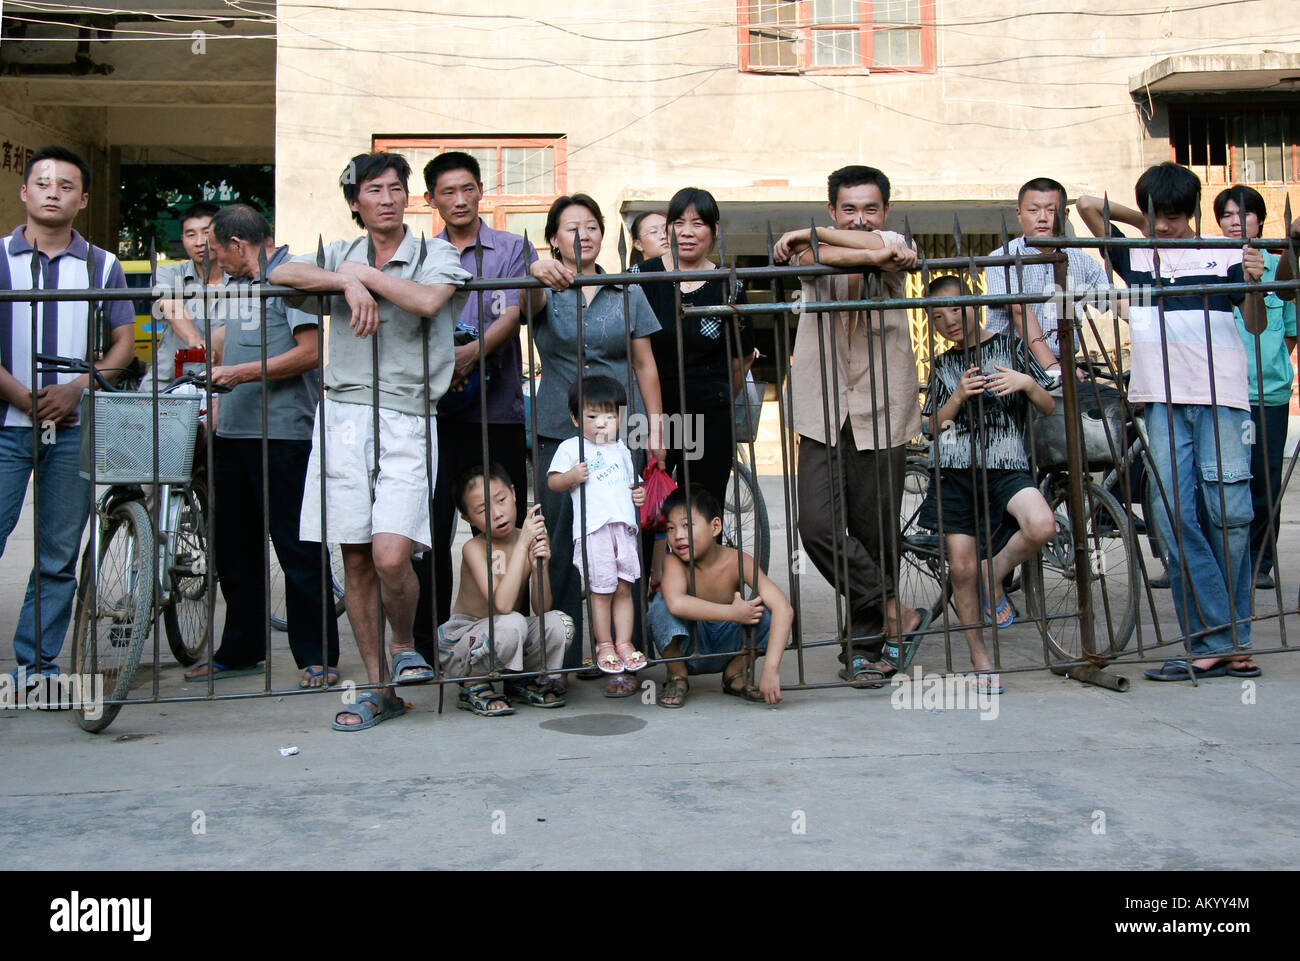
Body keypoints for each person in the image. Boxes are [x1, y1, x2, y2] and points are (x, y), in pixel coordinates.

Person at [268, 151, 470, 729]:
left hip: (408, 414)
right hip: (343, 416)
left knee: (390, 553)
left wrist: (364, 282)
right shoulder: (338, 253)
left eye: (394, 188)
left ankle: (406, 642)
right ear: (355, 202)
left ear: (408, 197)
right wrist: (342, 279)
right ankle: (380, 685)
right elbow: (279, 273)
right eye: (373, 190)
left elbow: (430, 301)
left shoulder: (434, 252)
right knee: (354, 557)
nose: (386, 198)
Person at [1077, 163, 1266, 681]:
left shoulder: (1224, 251)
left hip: (1219, 398)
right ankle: (1227, 639)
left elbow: (1253, 322)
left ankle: (1221, 641)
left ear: (1193, 212)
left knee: (1229, 514)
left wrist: (1251, 280)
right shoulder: (1136, 255)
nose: (1165, 228)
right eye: (1159, 217)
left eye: (1176, 217)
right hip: (1159, 400)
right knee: (1171, 516)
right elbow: (1088, 205)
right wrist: (1147, 218)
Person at [771, 165, 929, 687]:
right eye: (848, 209)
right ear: (832, 211)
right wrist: (851, 248)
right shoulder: (819, 252)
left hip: (883, 407)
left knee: (875, 531)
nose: (860, 218)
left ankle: (864, 650)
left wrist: (852, 245)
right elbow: (810, 257)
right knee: (815, 524)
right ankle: (892, 610)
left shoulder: (898, 247)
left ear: (885, 210)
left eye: (870, 208)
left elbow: (886, 249)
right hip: (823, 407)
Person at [181, 204, 340, 688]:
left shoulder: (288, 279)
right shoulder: (237, 284)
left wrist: (239, 373)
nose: (216, 263)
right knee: (234, 549)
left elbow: (310, 352)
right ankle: (241, 649)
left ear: (237, 245)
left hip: (282, 434)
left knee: (296, 548)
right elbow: (232, 340)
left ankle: (318, 654)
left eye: (218, 253)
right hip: (232, 432)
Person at [0, 146, 136, 684]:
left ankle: (36, 665)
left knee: (58, 552)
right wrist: (17, 394)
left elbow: (124, 343)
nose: (53, 192)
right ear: (24, 192)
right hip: (5, 426)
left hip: (72, 427)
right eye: (43, 182)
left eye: (65, 185)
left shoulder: (103, 264)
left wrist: (79, 387)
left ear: (82, 199)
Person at [524, 192, 665, 695]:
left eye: (590, 226)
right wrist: (536, 271)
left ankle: (624, 656)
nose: (581, 236)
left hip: (619, 430)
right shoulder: (541, 285)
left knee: (621, 539)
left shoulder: (626, 288)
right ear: (553, 239)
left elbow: (645, 362)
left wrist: (657, 427)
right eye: (569, 228)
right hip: (558, 429)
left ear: (602, 234)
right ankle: (559, 655)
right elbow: (525, 306)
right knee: (560, 542)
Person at [413, 151, 537, 663]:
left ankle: (519, 645)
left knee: (507, 528)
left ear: (481, 190)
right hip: (437, 416)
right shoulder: (420, 255)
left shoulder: (511, 248)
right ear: (431, 200)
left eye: (468, 189)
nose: (460, 200)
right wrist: (448, 364)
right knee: (432, 531)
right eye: (448, 192)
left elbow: (515, 312)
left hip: (500, 411)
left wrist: (468, 354)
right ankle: (429, 646)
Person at [918, 276, 1057, 694]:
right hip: (956, 470)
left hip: (1006, 463)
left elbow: (1049, 406)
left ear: (973, 305)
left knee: (1041, 525)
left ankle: (992, 571)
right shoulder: (943, 365)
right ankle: (979, 656)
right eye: (938, 317)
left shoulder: (1011, 347)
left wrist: (1027, 383)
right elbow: (930, 427)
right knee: (959, 567)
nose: (948, 322)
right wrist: (957, 396)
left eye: (955, 310)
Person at [637, 187, 753, 508]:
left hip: (709, 413)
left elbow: (741, 357)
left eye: (698, 223)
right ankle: (657, 562)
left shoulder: (729, 285)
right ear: (669, 228)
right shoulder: (640, 278)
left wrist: (718, 396)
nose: (687, 232)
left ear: (714, 231)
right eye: (679, 222)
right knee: (647, 510)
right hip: (650, 413)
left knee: (701, 508)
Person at [438, 462, 574, 716]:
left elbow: (541, 607)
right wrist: (523, 547)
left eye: (501, 500)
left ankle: (518, 678)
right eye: (482, 509)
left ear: (513, 493)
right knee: (512, 622)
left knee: (558, 624)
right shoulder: (474, 548)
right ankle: (473, 681)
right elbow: (501, 605)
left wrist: (539, 568)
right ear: (467, 518)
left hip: (507, 632)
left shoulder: (526, 538)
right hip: (466, 640)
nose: (498, 513)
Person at [1214, 185, 1295, 592]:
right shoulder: (1209, 265)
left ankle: (1261, 562)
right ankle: (1221, 561)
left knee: (1264, 478)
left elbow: (1291, 333)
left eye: (1243, 214)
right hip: (1223, 393)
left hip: (1269, 394)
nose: (1235, 222)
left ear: (1260, 220)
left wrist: (1270, 364)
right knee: (1224, 479)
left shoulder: (1282, 266)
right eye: (1227, 215)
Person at [647, 485, 793, 707]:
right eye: (670, 528)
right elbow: (676, 604)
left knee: (768, 611)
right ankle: (677, 675)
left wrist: (770, 670)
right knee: (661, 605)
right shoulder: (672, 561)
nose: (678, 536)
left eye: (687, 525)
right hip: (689, 646)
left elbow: (784, 608)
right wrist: (733, 613)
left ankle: (735, 673)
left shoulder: (738, 560)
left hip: (732, 645)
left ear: (715, 526)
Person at [547, 377, 649, 675]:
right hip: (594, 531)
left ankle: (625, 643)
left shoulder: (623, 450)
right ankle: (604, 644)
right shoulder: (571, 448)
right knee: (600, 590)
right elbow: (553, 482)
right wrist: (570, 477)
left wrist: (639, 493)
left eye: (609, 416)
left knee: (624, 588)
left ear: (620, 418)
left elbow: (634, 485)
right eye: (592, 417)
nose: (601, 424)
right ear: (575, 418)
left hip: (624, 529)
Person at [982, 177, 1109, 376]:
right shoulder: (1001, 257)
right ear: (1019, 214)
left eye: (1051, 210)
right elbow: (1019, 312)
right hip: (1008, 363)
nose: (1042, 218)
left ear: (1065, 215)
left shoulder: (1079, 258)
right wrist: (1052, 369)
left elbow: (1111, 300)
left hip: (1064, 361)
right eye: (1033, 211)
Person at [149, 201, 227, 388]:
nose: (199, 242)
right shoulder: (168, 273)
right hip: (169, 384)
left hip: (224, 385)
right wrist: (196, 341)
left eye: (206, 233)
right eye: (190, 234)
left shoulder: (242, 281)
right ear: (182, 239)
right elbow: (170, 305)